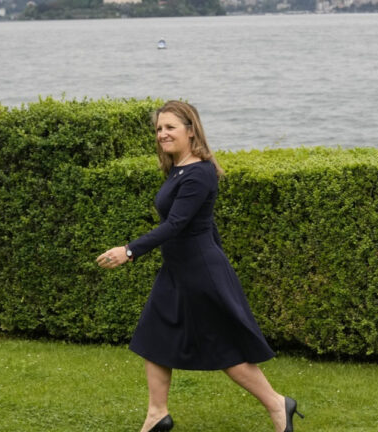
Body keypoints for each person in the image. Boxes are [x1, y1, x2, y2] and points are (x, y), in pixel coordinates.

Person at [96, 101, 303, 432]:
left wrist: (130, 251)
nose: (162, 134)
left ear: (191, 131)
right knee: (154, 336)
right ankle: (157, 415)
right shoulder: (179, 169)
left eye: (170, 127)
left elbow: (176, 224)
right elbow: (205, 223)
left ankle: (278, 404)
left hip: (198, 273)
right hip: (177, 270)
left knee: (224, 351)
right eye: (159, 129)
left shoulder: (199, 173)